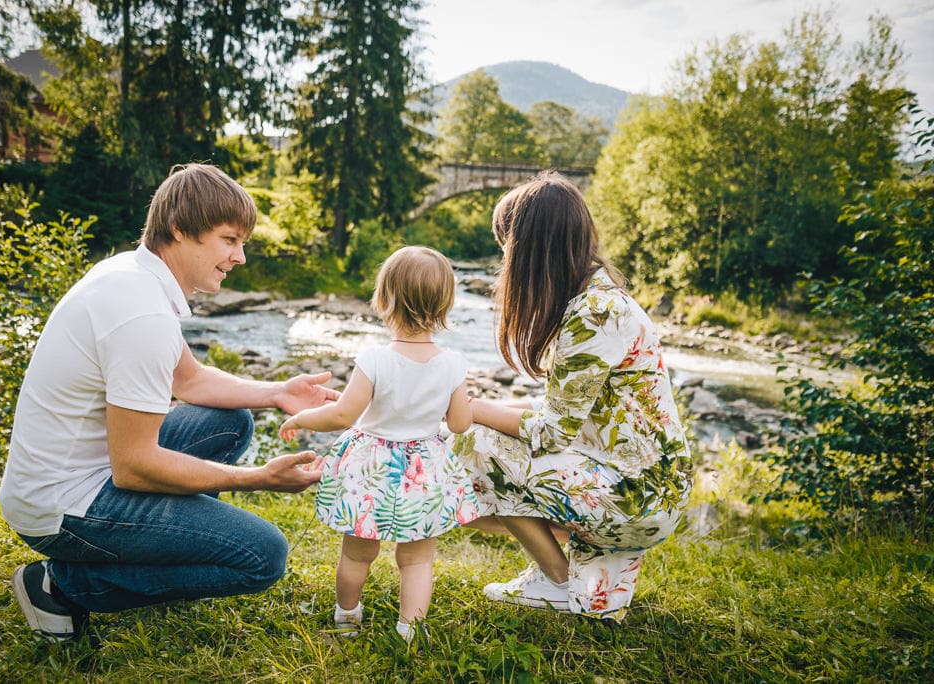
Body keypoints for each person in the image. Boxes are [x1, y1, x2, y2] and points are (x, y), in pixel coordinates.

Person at [0, 163, 338, 641]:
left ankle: (164, 555)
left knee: (231, 420)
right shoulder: (142, 314)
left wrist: (277, 392)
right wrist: (258, 479)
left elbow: (191, 380)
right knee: (263, 555)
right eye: (229, 239)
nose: (240, 257)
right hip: (61, 507)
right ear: (180, 229)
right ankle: (61, 585)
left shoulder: (133, 273)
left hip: (78, 476)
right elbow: (134, 467)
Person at [453, 171, 692, 621]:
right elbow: (565, 412)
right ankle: (577, 585)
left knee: (473, 444)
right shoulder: (600, 296)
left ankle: (557, 579)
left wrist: (474, 408)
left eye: (508, 249)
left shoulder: (593, 313)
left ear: (531, 249)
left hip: (633, 495)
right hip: (649, 488)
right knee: (595, 609)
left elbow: (552, 432)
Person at [278, 246, 478, 642]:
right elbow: (458, 423)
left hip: (371, 470)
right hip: (423, 470)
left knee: (356, 553)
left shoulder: (374, 358)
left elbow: (342, 416)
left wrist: (301, 416)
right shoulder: (452, 363)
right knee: (418, 559)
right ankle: (409, 631)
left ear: (384, 299)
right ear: (446, 304)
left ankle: (347, 618)